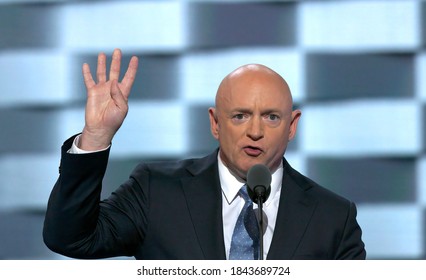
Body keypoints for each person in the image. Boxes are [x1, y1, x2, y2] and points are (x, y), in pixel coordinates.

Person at [43, 48, 366, 260]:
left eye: (271, 117)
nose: (255, 131)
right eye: (239, 116)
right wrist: (97, 136)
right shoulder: (156, 190)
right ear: (215, 122)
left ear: (291, 125)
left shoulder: (333, 217)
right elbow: (71, 239)